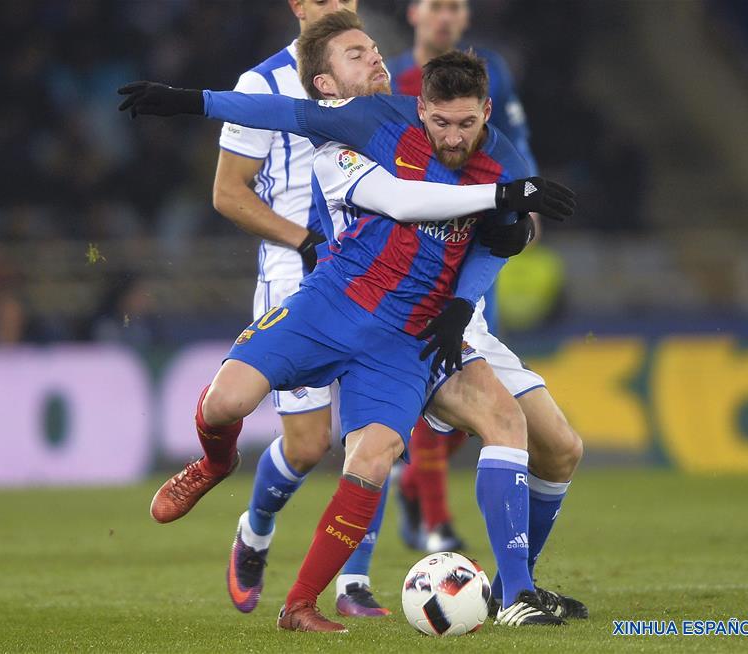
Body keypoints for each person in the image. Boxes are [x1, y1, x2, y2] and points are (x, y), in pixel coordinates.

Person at [119, 12, 576, 631]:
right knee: (233, 405)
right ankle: (220, 467)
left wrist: (470, 292)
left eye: (374, 49)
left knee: (390, 451)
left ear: (486, 112)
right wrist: (188, 102)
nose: (451, 134)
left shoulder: (465, 145)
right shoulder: (352, 130)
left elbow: (493, 242)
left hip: (416, 325)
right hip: (334, 299)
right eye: (357, 53)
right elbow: (393, 195)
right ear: (327, 82)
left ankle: (315, 601)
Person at [207, 0, 395, 619]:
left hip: (373, 267)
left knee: (377, 431)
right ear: (298, 5)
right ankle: (256, 529)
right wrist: (303, 240)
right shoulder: (260, 85)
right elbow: (228, 193)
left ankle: (354, 582)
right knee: (310, 444)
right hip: (297, 271)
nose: (338, 5)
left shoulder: (373, 72)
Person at [386, 0, 543, 554]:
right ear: (414, 14)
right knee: (434, 385)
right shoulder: (391, 78)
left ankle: (413, 484)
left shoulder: (492, 70)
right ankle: (436, 522)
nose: (446, 17)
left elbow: (515, 147)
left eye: (455, 6)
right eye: (436, 6)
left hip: (475, 249)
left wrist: (527, 209)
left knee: (472, 406)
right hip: (419, 256)